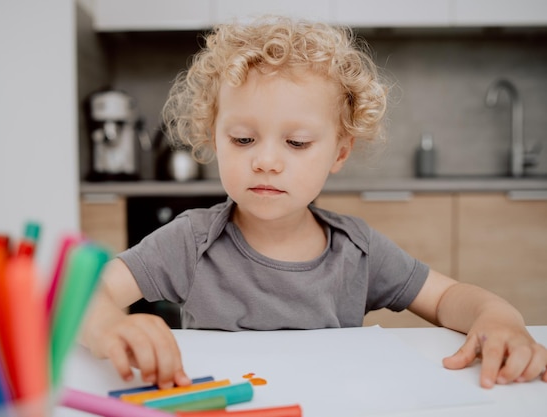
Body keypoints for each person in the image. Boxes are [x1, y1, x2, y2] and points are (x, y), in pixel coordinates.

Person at [79, 15, 547, 391]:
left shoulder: (357, 250)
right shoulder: (190, 241)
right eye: (242, 139)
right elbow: (82, 297)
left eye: (297, 143)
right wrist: (106, 326)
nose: (265, 161)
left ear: (339, 152)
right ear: (213, 139)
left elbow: (446, 298)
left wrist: (498, 318)